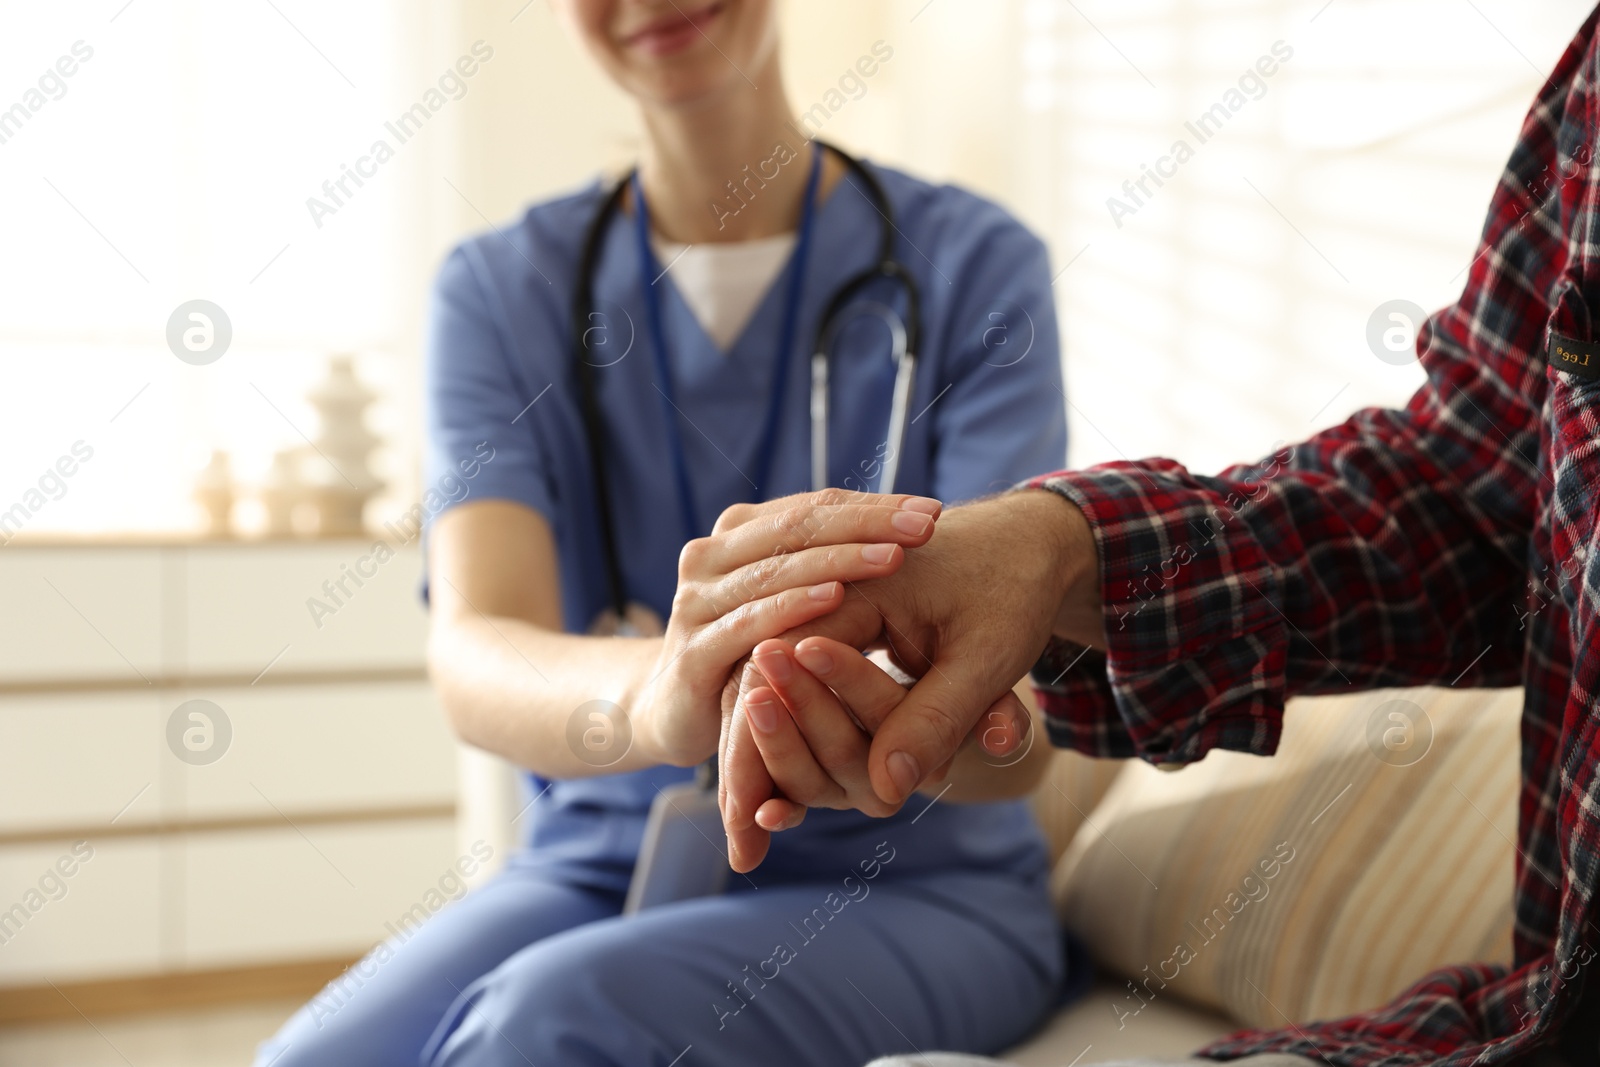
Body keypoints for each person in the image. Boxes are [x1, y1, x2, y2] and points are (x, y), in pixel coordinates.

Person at [719, 8, 1600, 1067]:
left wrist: (668, 688)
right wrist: (1056, 545)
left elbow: (1003, 756)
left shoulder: (976, 255)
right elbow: (1472, 493)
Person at [253, 1, 1075, 1065]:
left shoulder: (976, 266)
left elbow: (1015, 737)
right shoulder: (501, 292)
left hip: (915, 882)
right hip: (603, 866)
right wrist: (660, 693)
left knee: (546, 1022)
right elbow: (474, 648)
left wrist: (891, 728)